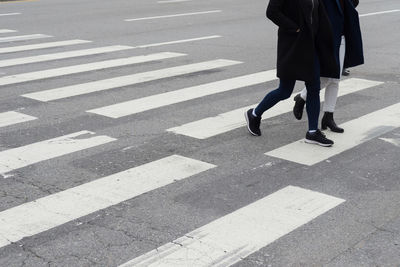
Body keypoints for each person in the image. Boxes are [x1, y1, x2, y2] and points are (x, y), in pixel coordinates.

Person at [245, 0, 339, 147]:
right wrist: (295, 28)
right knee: (284, 91)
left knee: (314, 88)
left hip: (310, 45)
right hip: (292, 46)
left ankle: (312, 132)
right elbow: (272, 12)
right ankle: (254, 114)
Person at [293, 0, 364, 133]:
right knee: (327, 77)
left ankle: (328, 116)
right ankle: (302, 97)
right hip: (326, 37)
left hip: (342, 34)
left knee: (336, 79)